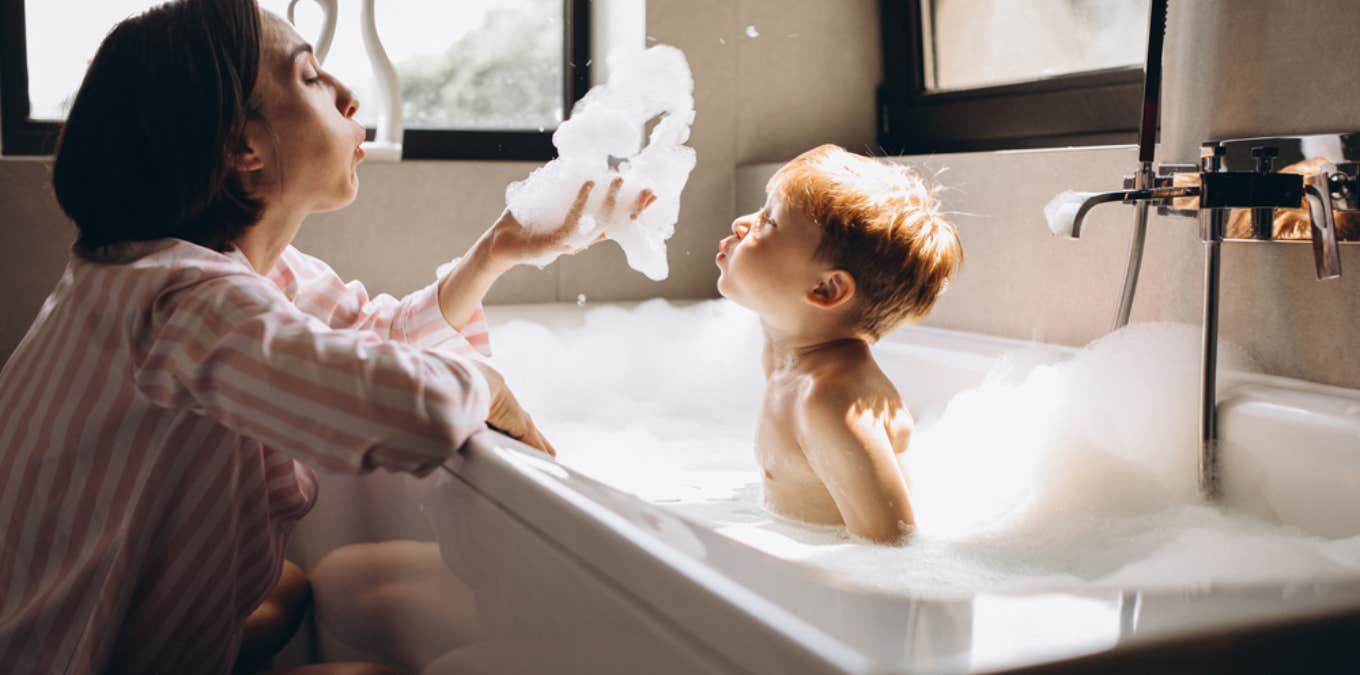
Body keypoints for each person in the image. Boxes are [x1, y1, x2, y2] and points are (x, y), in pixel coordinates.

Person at [0, 1, 651, 673]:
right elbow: (401, 407)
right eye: (310, 77)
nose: (348, 95)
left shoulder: (210, 267)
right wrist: (482, 384)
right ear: (239, 146)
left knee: (283, 590)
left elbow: (383, 336)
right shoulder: (178, 300)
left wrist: (494, 252)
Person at [715, 144, 962, 543]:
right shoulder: (785, 354)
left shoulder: (832, 403)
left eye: (768, 223)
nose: (743, 223)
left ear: (826, 289)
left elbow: (892, 543)